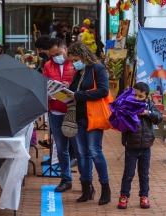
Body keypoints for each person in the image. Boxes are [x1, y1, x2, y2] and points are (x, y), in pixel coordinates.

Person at [67, 42, 110, 205]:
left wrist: (78, 95)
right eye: (72, 60)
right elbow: (76, 93)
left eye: (76, 59)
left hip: (93, 117)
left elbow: (103, 91)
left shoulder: (97, 69)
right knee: (82, 153)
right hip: (79, 118)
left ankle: (105, 188)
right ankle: (87, 188)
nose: (74, 63)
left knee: (95, 152)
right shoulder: (79, 72)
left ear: (84, 55)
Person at [118, 82, 163, 209]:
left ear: (146, 97)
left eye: (140, 97)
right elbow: (120, 121)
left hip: (146, 147)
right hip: (131, 146)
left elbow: (159, 117)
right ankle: (124, 196)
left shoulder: (150, 105)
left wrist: (147, 113)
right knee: (128, 173)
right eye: (135, 96)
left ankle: (144, 196)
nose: (137, 99)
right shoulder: (127, 105)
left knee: (144, 174)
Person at [43, 38, 79, 192]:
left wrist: (69, 87)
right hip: (56, 111)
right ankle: (66, 179)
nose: (55, 57)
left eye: (57, 53)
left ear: (65, 48)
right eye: (52, 55)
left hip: (74, 111)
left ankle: (86, 180)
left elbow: (83, 85)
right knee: (61, 148)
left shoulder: (75, 64)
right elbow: (43, 85)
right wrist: (48, 94)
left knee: (79, 149)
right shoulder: (47, 65)